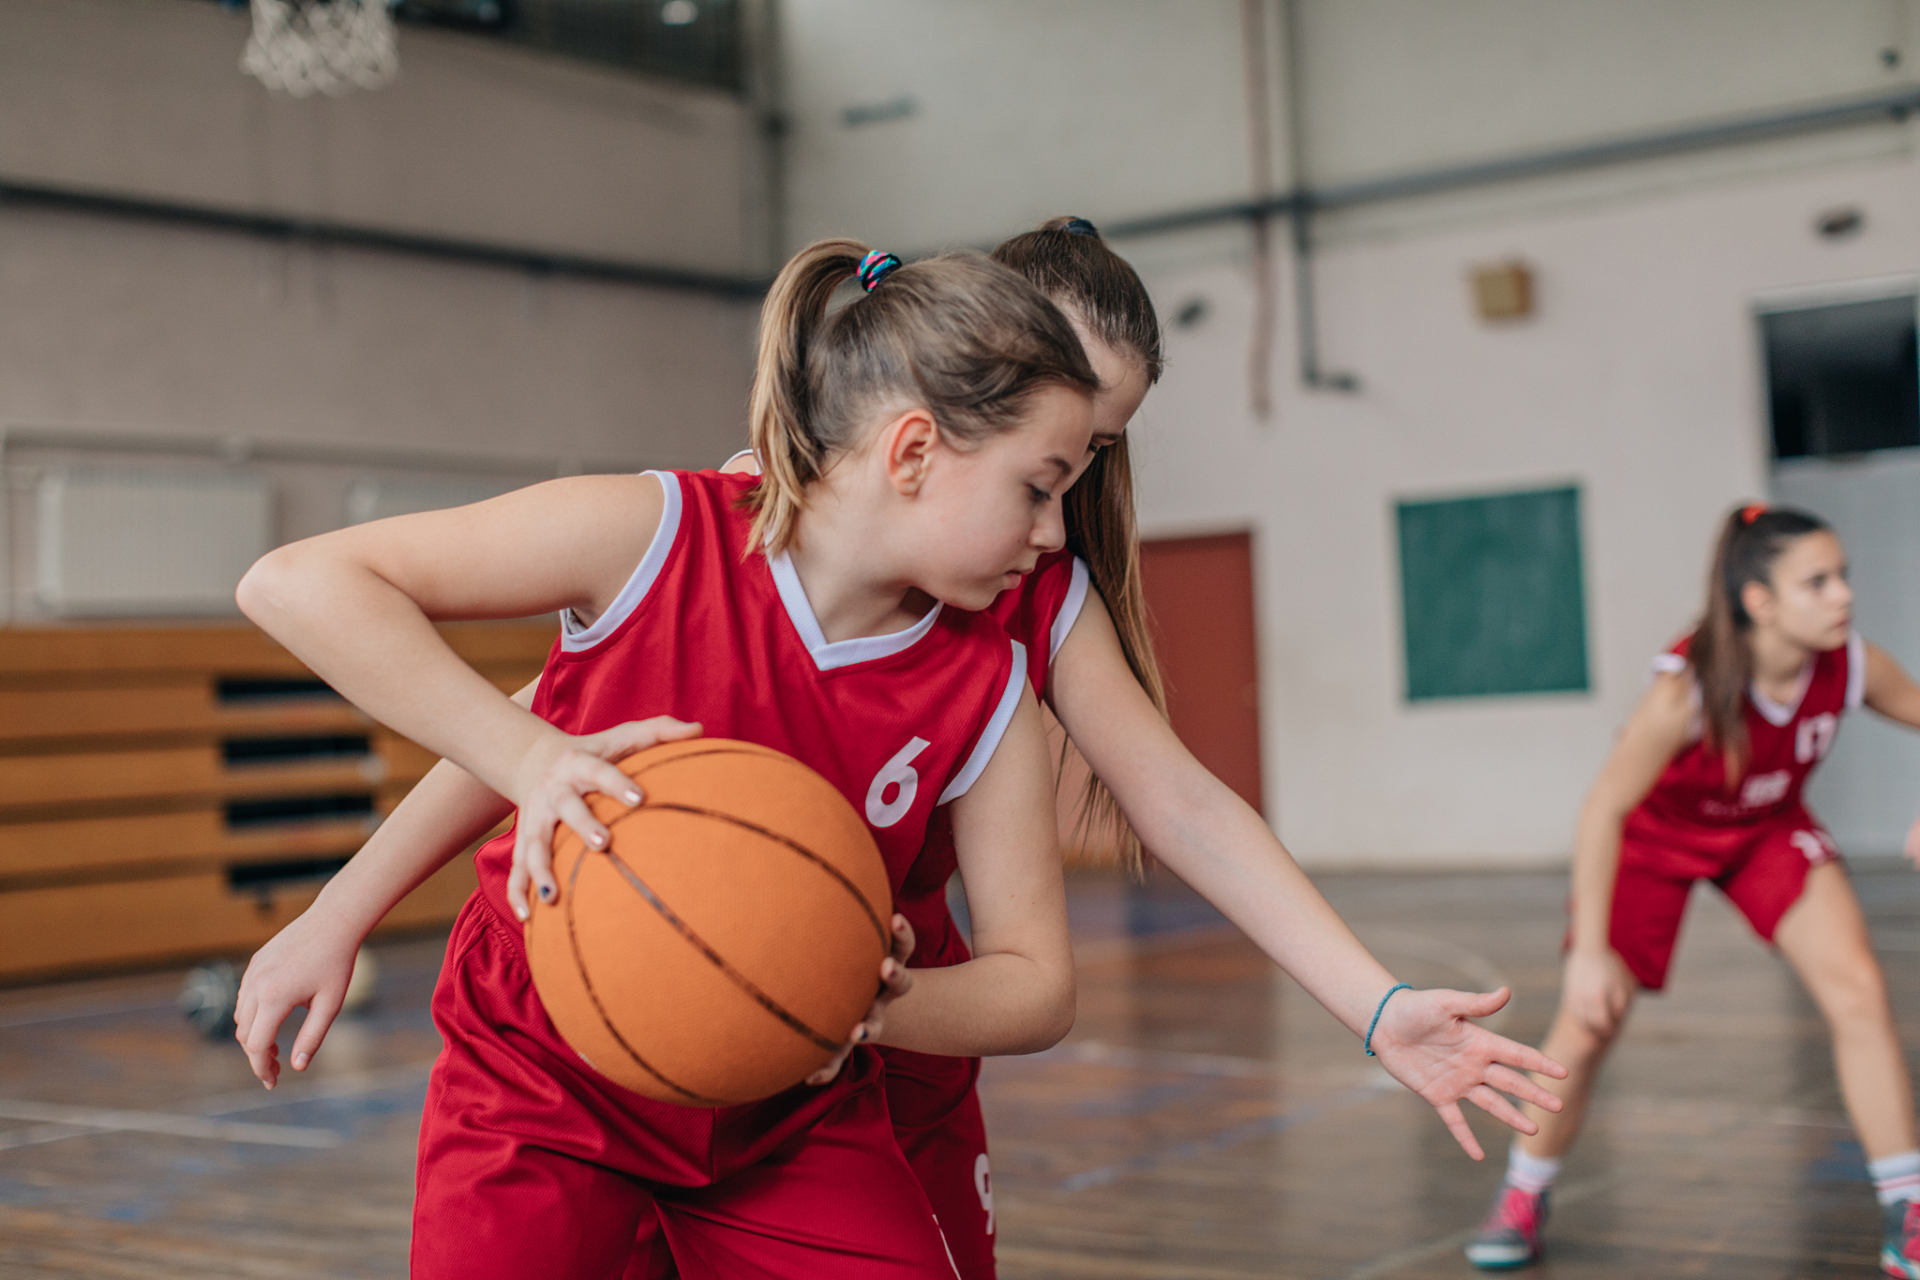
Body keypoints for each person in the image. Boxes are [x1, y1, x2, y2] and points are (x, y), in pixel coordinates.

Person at [238, 219, 1567, 1280]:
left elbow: (1173, 808)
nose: (1073, 499)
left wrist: (1374, 1004)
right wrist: (347, 903)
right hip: (566, 1051)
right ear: (922, 431)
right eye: (1056, 458)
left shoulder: (1011, 622)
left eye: (1096, 455)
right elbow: (530, 718)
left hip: (850, 1027)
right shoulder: (707, 526)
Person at [235, 238, 1101, 1280]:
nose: (1054, 535)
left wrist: (861, 999)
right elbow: (296, 582)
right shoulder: (649, 534)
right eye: (1038, 488)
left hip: (788, 1104)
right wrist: (524, 769)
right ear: (913, 452)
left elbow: (1039, 984)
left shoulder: (985, 684)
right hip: (545, 1072)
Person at [1463, 504, 1920, 1275]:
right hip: (1654, 837)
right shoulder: (1687, 692)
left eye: (1843, 576)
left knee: (1859, 988)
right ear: (1759, 601)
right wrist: (1590, 954)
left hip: (1765, 827)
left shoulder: (1854, 667)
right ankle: (1522, 1192)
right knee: (1589, 1023)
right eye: (1818, 582)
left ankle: (1906, 1205)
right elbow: (1605, 809)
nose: (1842, 595)